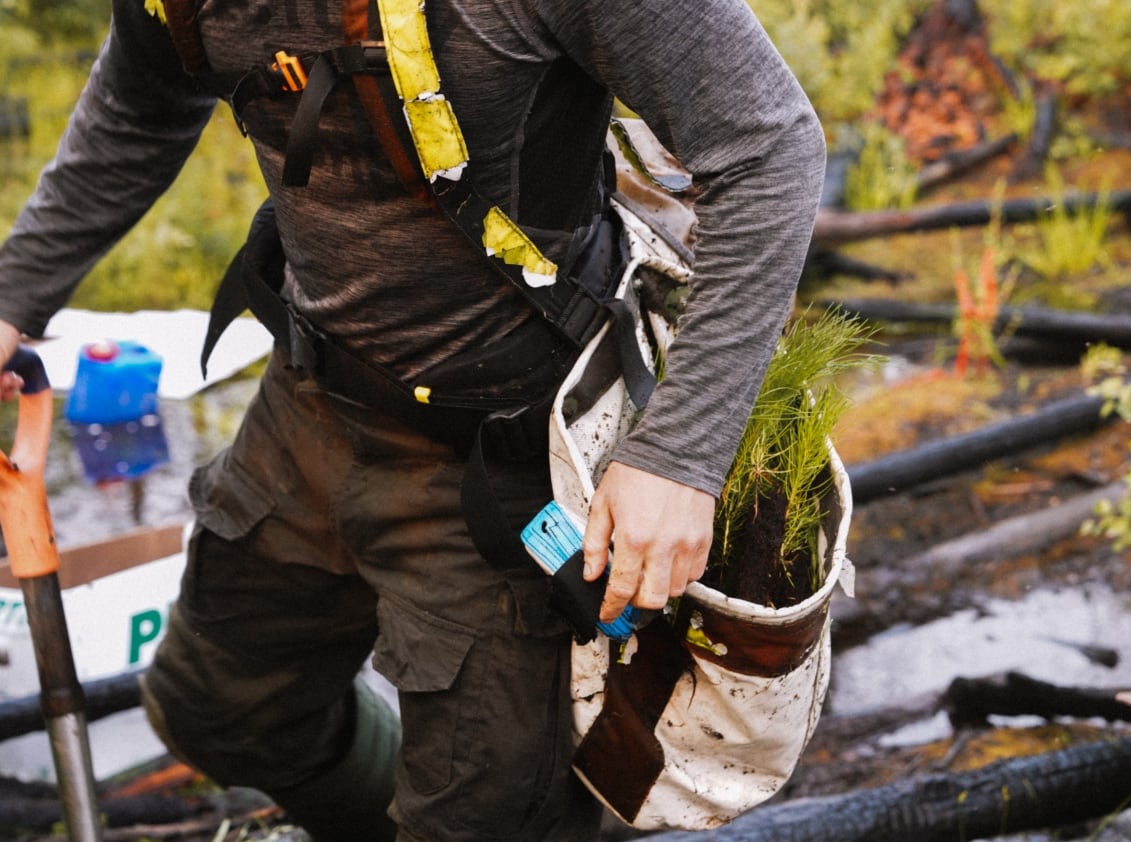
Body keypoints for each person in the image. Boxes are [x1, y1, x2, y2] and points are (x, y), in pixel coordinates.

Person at [0, 1, 826, 839]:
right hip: (312, 401)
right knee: (217, 709)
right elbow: (139, 109)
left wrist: (680, 456)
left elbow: (768, 148)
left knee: (486, 816)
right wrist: (12, 300)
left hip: (512, 456)